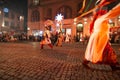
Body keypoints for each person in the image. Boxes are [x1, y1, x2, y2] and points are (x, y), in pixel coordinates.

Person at [82, 0, 120, 70]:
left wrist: (115, 27)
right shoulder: (102, 19)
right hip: (100, 39)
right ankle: (113, 65)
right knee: (103, 51)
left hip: (99, 39)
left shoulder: (99, 20)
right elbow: (112, 12)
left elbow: (106, 27)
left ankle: (113, 65)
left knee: (97, 51)